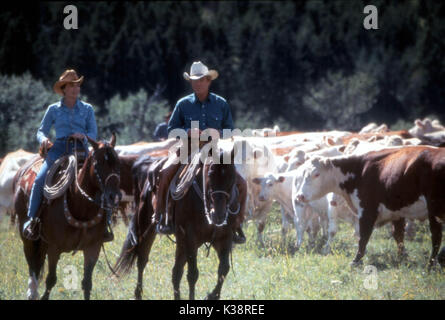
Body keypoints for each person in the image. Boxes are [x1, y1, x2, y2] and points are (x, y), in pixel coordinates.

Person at [154, 61, 246, 244]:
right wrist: (187, 132)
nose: (197, 83)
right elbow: (171, 129)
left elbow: (231, 129)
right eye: (194, 80)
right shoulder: (183, 104)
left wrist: (219, 133)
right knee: (165, 172)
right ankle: (161, 216)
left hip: (213, 148)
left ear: (208, 80)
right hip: (188, 147)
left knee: (241, 182)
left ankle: (237, 223)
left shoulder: (221, 103)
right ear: (191, 82)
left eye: (201, 80)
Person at [22, 69, 114, 242]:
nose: (75, 88)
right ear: (63, 89)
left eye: (77, 85)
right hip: (58, 149)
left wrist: (84, 136)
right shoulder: (53, 109)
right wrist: (44, 140)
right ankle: (32, 220)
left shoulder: (87, 109)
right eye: (71, 86)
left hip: (82, 150)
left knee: (103, 178)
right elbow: (41, 131)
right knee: (39, 181)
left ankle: (106, 224)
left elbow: (93, 132)